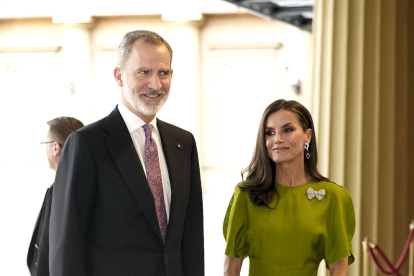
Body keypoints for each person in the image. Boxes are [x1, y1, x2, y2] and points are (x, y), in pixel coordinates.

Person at [49, 30, 204, 276]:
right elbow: (66, 244)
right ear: (119, 76)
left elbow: (192, 237)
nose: (155, 84)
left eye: (163, 73)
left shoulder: (183, 143)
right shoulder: (86, 144)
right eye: (143, 72)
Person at [223, 99, 355, 276]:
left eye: (287, 130)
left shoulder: (332, 196)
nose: (277, 139)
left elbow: (338, 268)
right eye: (269, 132)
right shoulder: (246, 195)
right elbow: (231, 267)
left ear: (307, 135)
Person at [27, 117, 84, 276]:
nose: (44, 149)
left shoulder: (62, 190)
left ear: (55, 147)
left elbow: (56, 247)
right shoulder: (84, 185)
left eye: (44, 144)